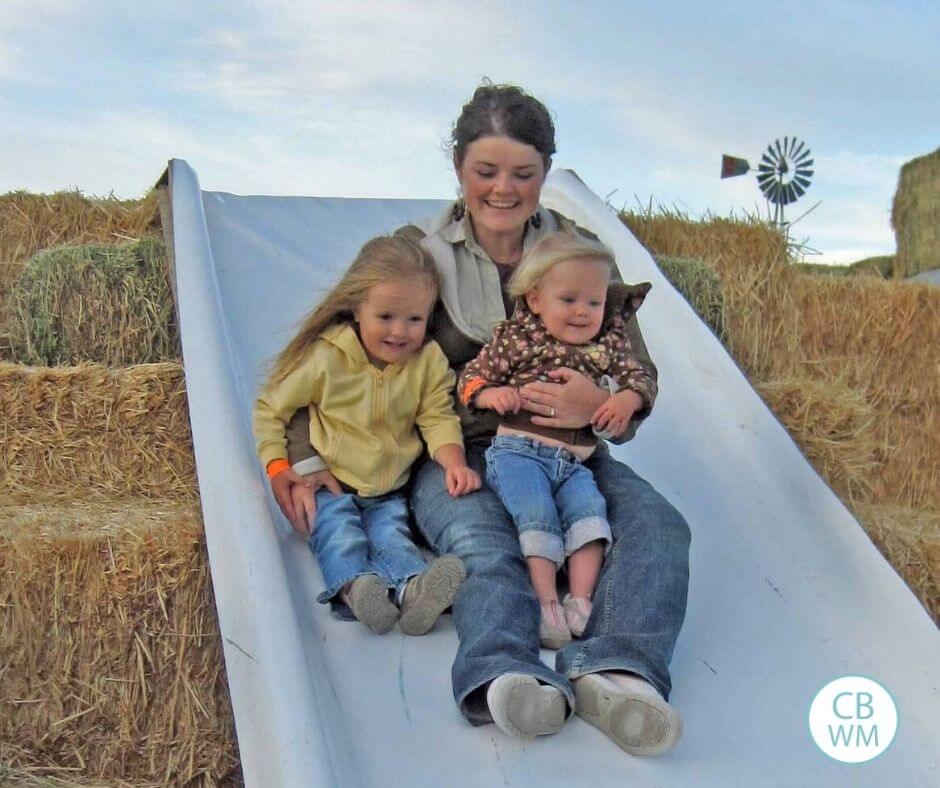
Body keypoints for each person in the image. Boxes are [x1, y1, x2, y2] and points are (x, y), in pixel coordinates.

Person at [276, 83, 690, 757]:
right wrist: (303, 461)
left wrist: (609, 409)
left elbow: (635, 369)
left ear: (546, 173)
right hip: (457, 454)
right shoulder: (414, 255)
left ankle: (615, 668)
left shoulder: (580, 253)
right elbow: (327, 360)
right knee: (482, 540)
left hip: (569, 448)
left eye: (524, 174)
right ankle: (503, 671)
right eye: (486, 171)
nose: (504, 189)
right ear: (458, 167)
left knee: (658, 526)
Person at [253, 235, 479, 636]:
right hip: (328, 482)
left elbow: (437, 416)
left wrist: (453, 460)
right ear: (357, 308)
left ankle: (414, 590)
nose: (400, 331)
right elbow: (272, 408)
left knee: (393, 536)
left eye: (415, 319)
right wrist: (277, 466)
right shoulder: (327, 357)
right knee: (337, 531)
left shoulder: (427, 361)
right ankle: (356, 590)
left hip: (389, 487)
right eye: (386, 317)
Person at [456, 231, 656, 652]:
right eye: (569, 300)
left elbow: (640, 377)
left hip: (573, 461)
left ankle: (579, 601)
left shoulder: (607, 345)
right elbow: (471, 376)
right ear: (535, 301)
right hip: (518, 453)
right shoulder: (518, 338)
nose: (583, 313)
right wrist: (490, 394)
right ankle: (546, 602)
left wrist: (623, 397)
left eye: (594, 302)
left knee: (590, 514)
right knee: (537, 513)